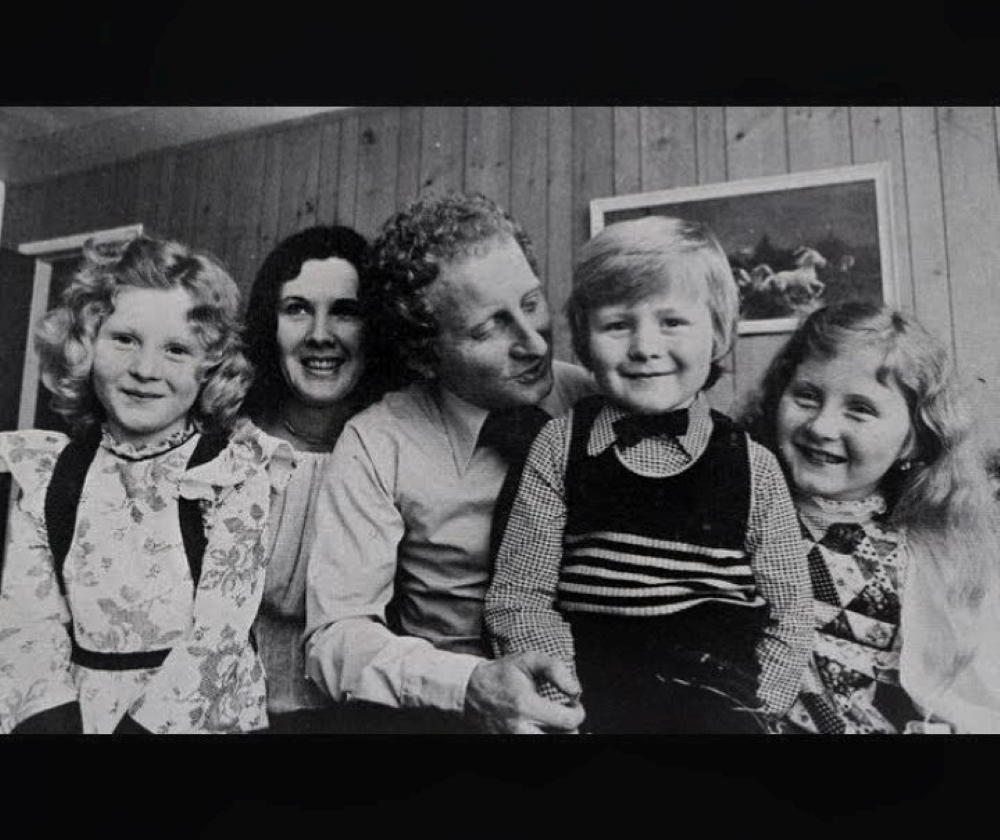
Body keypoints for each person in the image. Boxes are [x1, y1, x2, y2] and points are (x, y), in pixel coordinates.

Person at [485, 216, 814, 734]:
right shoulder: (558, 446)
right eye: (617, 325)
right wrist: (562, 704)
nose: (644, 346)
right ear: (584, 341)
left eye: (672, 322)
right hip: (589, 704)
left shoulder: (755, 465)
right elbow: (520, 597)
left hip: (718, 707)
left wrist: (757, 711)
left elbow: (790, 612)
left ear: (719, 333)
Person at [304, 192, 596, 733]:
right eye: (489, 329)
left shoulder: (591, 399)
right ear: (424, 354)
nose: (533, 344)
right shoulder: (377, 443)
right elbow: (334, 637)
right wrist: (468, 686)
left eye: (532, 303)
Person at [0, 236, 293, 734]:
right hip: (81, 717)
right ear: (85, 344)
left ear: (210, 368)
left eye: (176, 350)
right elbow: (28, 623)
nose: (144, 370)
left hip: (197, 715)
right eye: (124, 339)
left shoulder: (230, 472)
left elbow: (218, 636)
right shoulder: (50, 473)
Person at [741, 300, 1000, 733]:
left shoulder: (932, 553)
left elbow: (971, 697)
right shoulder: (738, 513)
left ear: (915, 438)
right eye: (806, 396)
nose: (821, 427)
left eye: (859, 409)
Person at [243, 225, 391, 733]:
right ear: (270, 323)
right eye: (297, 309)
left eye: (345, 311)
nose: (320, 334)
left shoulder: (397, 451)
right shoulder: (229, 445)